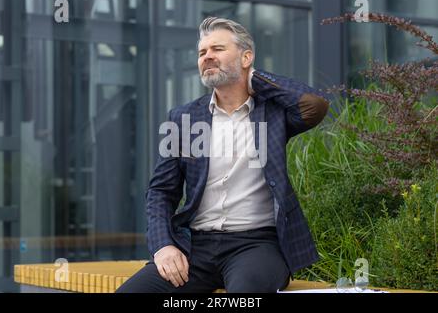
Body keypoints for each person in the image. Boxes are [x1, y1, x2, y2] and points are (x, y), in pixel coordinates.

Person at [116, 17, 329, 293]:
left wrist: (255, 78)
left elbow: (315, 105)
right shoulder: (184, 119)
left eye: (217, 49)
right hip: (195, 246)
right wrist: (163, 246)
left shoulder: (273, 113)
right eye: (202, 52)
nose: (207, 57)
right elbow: (160, 191)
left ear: (246, 57)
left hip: (257, 245)